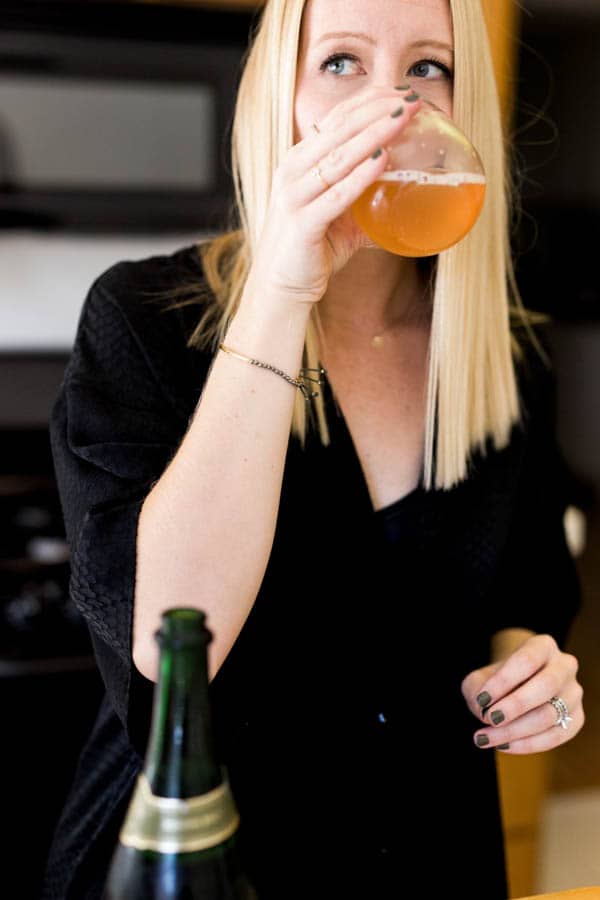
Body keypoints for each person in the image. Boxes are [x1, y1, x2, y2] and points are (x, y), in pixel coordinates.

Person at [43, 1, 585, 897]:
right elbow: (172, 636)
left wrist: (530, 675)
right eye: (340, 63)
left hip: (430, 854)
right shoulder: (140, 321)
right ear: (278, 100)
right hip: (204, 865)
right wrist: (285, 287)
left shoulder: (506, 353)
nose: (392, 106)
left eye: (428, 68)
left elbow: (526, 594)